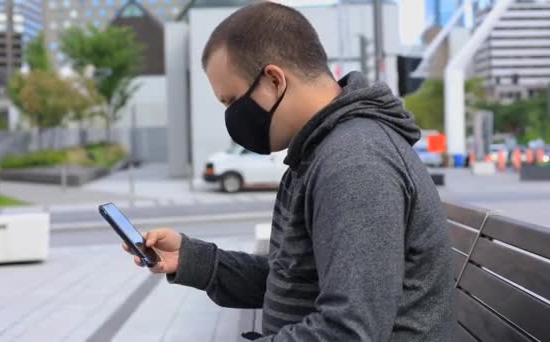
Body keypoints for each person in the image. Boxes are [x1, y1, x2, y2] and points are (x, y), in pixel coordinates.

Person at [122, 2, 454, 341]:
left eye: (231, 100)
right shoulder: (322, 151)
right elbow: (294, 276)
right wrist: (193, 260)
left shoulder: (355, 162)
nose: (232, 116)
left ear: (274, 80)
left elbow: (350, 331)